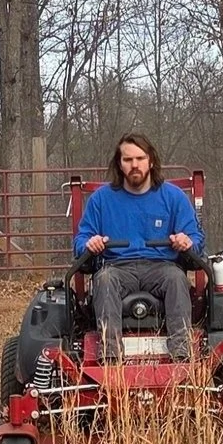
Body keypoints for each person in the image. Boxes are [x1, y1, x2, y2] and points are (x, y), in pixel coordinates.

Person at [74, 133, 203, 358]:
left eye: (140, 158)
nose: (135, 165)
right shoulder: (101, 199)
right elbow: (80, 241)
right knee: (103, 279)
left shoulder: (173, 197)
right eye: (127, 160)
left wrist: (187, 241)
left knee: (176, 278)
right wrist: (89, 243)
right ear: (119, 164)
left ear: (151, 161)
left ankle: (182, 355)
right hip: (116, 267)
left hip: (162, 267)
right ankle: (110, 358)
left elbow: (196, 238)